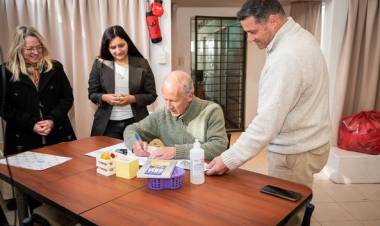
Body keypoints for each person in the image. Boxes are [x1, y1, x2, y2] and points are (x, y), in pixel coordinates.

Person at [207, 0, 330, 189]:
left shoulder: (286, 57)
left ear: (272, 21)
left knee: (287, 215)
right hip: (312, 144)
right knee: (299, 203)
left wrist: (228, 159)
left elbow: (266, 123)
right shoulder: (302, 38)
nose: (249, 39)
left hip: (294, 154)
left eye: (253, 31)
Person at [0, 26, 76, 156]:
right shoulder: (5, 73)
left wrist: (52, 120)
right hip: (23, 139)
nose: (36, 52)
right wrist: (32, 124)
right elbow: (4, 107)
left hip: (58, 133)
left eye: (39, 47)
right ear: (18, 50)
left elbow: (67, 98)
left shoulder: (55, 68)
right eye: (29, 49)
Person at [123, 70, 228, 161]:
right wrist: (135, 144)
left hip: (205, 175)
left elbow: (219, 146)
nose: (168, 107)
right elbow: (131, 129)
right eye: (166, 100)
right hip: (174, 176)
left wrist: (175, 152)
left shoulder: (212, 111)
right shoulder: (162, 114)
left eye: (174, 101)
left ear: (190, 96)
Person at [88, 25, 157, 140]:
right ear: (107, 48)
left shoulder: (142, 64)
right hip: (107, 125)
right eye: (113, 47)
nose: (118, 51)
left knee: (138, 157)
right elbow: (92, 94)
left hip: (136, 123)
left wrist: (132, 99)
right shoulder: (100, 64)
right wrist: (105, 97)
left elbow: (152, 95)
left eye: (121, 45)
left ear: (128, 43)